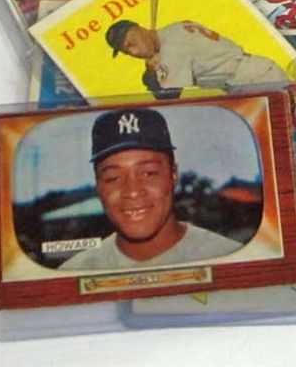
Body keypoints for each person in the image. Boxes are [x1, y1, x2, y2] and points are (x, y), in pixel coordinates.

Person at [60, 108, 242, 271]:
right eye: (113, 178)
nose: (132, 191)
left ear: (173, 175)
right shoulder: (74, 272)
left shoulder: (229, 258)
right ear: (98, 186)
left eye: (148, 173)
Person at [105, 18, 289, 98]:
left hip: (257, 80)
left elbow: (168, 96)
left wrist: (152, 72)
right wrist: (152, 69)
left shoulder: (172, 49)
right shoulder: (173, 29)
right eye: (127, 51)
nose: (134, 52)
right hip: (252, 75)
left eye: (131, 43)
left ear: (141, 29)